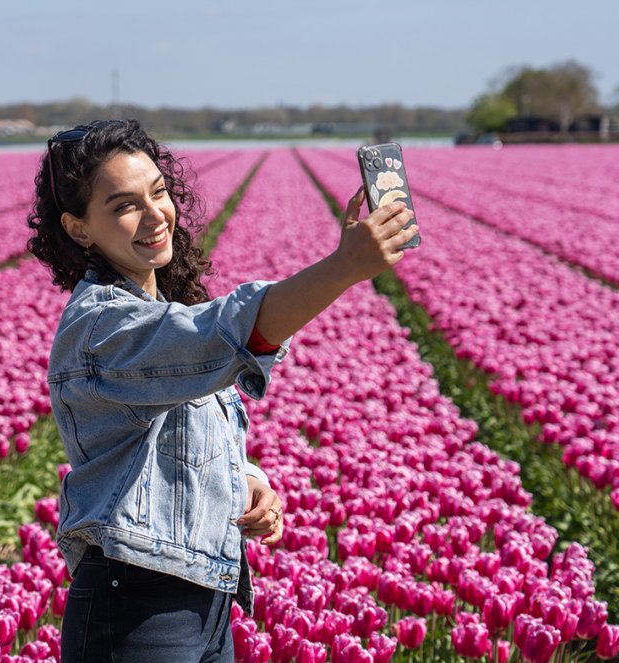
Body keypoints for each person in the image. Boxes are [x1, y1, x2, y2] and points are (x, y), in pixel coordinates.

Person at [26, 119, 418, 663]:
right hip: (137, 607)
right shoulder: (101, 329)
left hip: (205, 598)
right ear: (79, 229)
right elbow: (228, 335)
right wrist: (343, 268)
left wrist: (248, 483)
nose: (154, 215)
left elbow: (175, 436)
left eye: (158, 192)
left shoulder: (161, 313)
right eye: (123, 206)